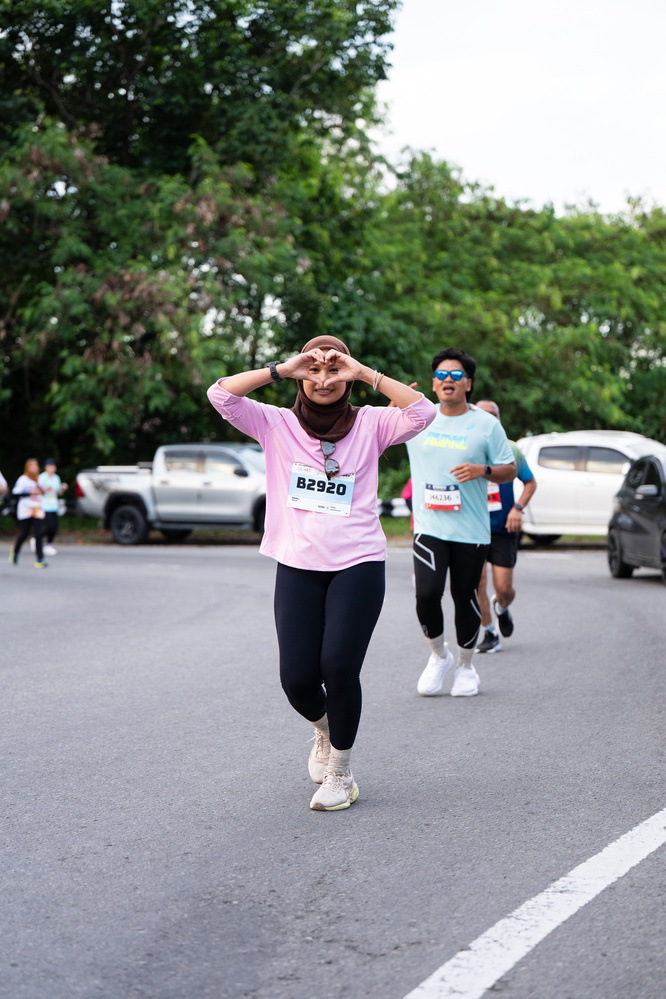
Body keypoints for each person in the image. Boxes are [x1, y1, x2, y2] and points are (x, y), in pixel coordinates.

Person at [207, 336, 436, 811]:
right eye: (314, 370)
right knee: (297, 680)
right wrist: (283, 369)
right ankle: (327, 730)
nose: (324, 379)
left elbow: (422, 413)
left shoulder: (371, 423)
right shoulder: (276, 423)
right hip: (297, 565)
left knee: (339, 666)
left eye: (334, 370)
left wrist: (363, 372)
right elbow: (221, 395)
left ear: (347, 377)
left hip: (358, 564)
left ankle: (341, 774)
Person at [405, 348, 516, 697]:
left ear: (468, 383)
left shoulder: (487, 424)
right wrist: (391, 409)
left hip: (471, 529)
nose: (448, 380)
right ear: (433, 383)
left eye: (456, 375)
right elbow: (372, 438)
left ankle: (466, 666)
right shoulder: (417, 418)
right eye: (441, 374)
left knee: (464, 595)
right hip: (429, 526)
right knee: (426, 594)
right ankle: (439, 656)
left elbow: (510, 469)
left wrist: (483, 470)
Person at [474, 400, 537, 653]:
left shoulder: (511, 449)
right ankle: (489, 632)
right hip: (473, 527)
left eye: (494, 416)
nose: (489, 420)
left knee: (504, 589)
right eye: (483, 415)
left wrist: (517, 508)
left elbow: (530, 483)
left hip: (503, 528)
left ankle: (501, 606)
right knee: (476, 583)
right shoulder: (465, 448)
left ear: (499, 421)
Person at [9, 459, 48, 568]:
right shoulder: (23, 479)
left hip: (37, 509)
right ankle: (15, 551)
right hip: (26, 510)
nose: (34, 468)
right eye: (32, 466)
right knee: (25, 533)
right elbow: (15, 493)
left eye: (36, 465)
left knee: (38, 534)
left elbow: (43, 492)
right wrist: (30, 493)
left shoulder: (40, 479)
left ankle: (40, 559)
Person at [33, 458, 68, 556]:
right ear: (46, 467)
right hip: (44, 505)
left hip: (54, 505)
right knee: (49, 527)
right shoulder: (42, 477)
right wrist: (44, 490)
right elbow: (36, 490)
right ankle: (38, 539)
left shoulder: (56, 478)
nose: (52, 468)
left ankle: (47, 544)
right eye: (50, 466)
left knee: (54, 527)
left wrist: (62, 488)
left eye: (53, 466)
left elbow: (58, 492)